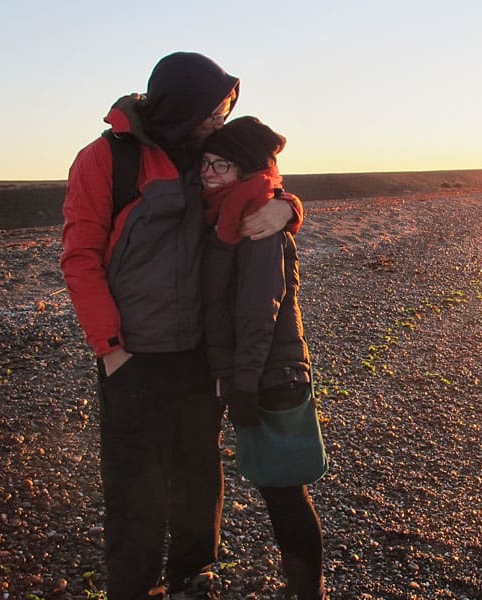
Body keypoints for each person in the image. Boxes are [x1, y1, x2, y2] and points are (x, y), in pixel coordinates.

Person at [60, 52, 302, 600]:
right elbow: (79, 258)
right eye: (213, 108)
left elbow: (258, 183)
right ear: (183, 105)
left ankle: (194, 575)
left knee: (198, 475)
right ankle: (134, 587)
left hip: (199, 352)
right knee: (135, 487)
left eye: (226, 108)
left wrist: (288, 206)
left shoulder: (207, 157)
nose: (220, 118)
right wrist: (111, 350)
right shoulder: (104, 161)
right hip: (134, 356)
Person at [200, 116, 325, 600]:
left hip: (271, 373)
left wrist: (244, 385)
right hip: (255, 370)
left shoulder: (256, 221)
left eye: (221, 165)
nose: (208, 173)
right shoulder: (230, 209)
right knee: (278, 486)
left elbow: (258, 313)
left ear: (248, 168)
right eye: (205, 163)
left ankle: (307, 592)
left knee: (283, 489)